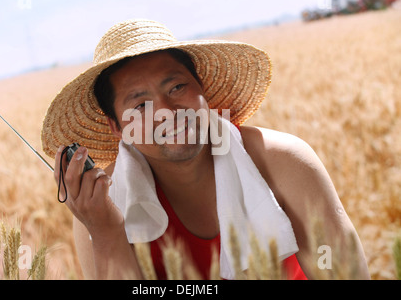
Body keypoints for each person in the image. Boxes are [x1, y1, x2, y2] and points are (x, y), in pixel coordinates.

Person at [41, 19, 370, 280]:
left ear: (203, 92)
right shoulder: (100, 205)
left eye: (178, 87)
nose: (168, 112)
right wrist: (105, 231)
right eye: (140, 105)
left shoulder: (283, 163)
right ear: (117, 128)